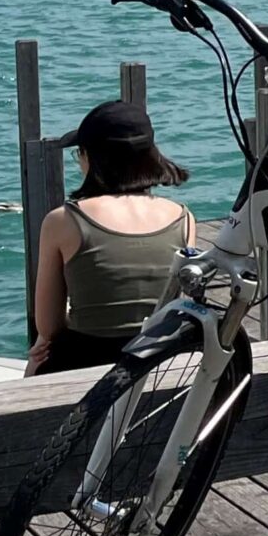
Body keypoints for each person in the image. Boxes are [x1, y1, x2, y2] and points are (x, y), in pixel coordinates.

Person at [25, 99, 194, 374]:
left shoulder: (62, 220)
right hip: (156, 362)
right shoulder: (182, 217)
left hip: (85, 363)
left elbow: (49, 326)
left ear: (91, 158)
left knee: (40, 352)